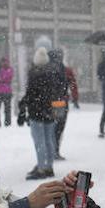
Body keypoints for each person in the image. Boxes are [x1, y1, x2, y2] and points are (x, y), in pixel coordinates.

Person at [23, 47, 62, 180]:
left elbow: (30, 94)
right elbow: (56, 91)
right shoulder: (53, 73)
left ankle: (41, 168)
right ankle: (49, 167)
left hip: (36, 112)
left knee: (39, 141)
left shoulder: (34, 73)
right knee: (49, 140)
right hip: (49, 111)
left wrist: (24, 107)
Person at [0, 57, 14, 128]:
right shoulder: (9, 69)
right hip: (5, 91)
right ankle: (6, 122)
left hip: (0, 91)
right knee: (5, 108)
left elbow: (1, 78)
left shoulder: (3, 69)